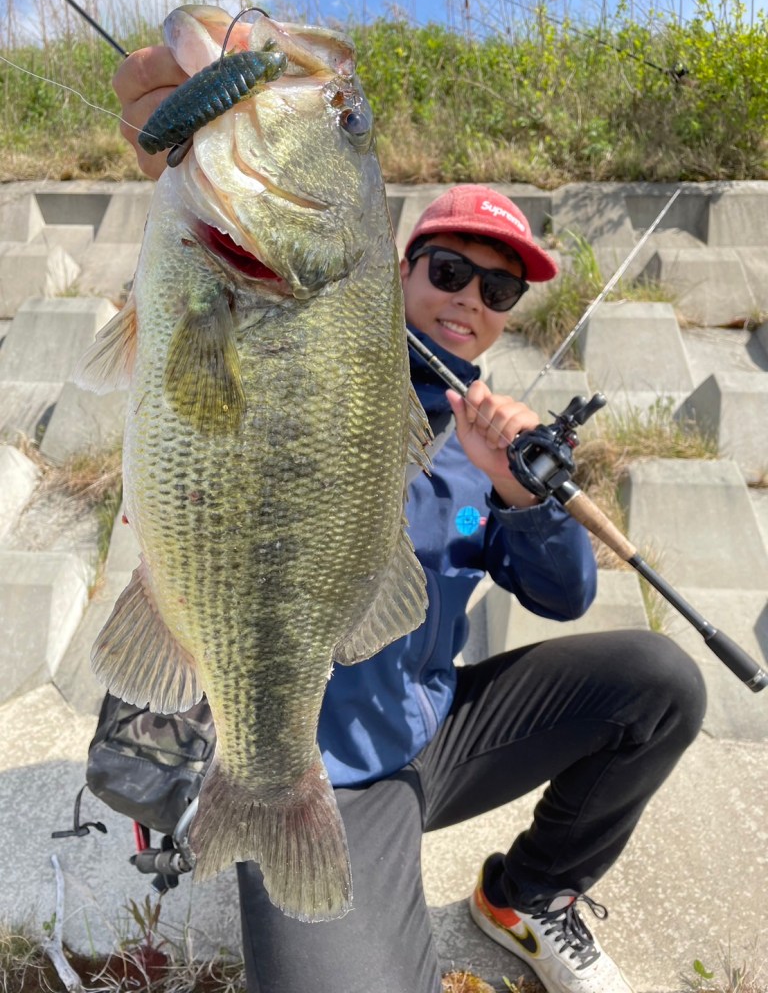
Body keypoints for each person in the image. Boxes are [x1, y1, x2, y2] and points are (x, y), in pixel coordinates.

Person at [113, 50, 707, 993]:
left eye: (499, 289)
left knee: (660, 683)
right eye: (449, 269)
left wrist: (521, 495)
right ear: (396, 267)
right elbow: (187, 320)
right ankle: (261, 797)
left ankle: (526, 895)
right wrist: (184, 160)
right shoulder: (310, 334)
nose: (470, 298)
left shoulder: (492, 440)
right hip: (325, 763)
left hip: (435, 729)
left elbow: (564, 597)